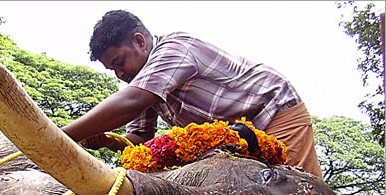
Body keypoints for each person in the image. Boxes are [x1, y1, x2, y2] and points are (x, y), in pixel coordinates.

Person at [61, 10, 323, 179]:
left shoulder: (175, 48)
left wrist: (60, 136)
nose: (119, 74)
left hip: (273, 111)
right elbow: (141, 136)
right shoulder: (143, 81)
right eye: (112, 69)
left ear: (140, 42)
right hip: (236, 138)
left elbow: (132, 102)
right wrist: (109, 140)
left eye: (120, 62)